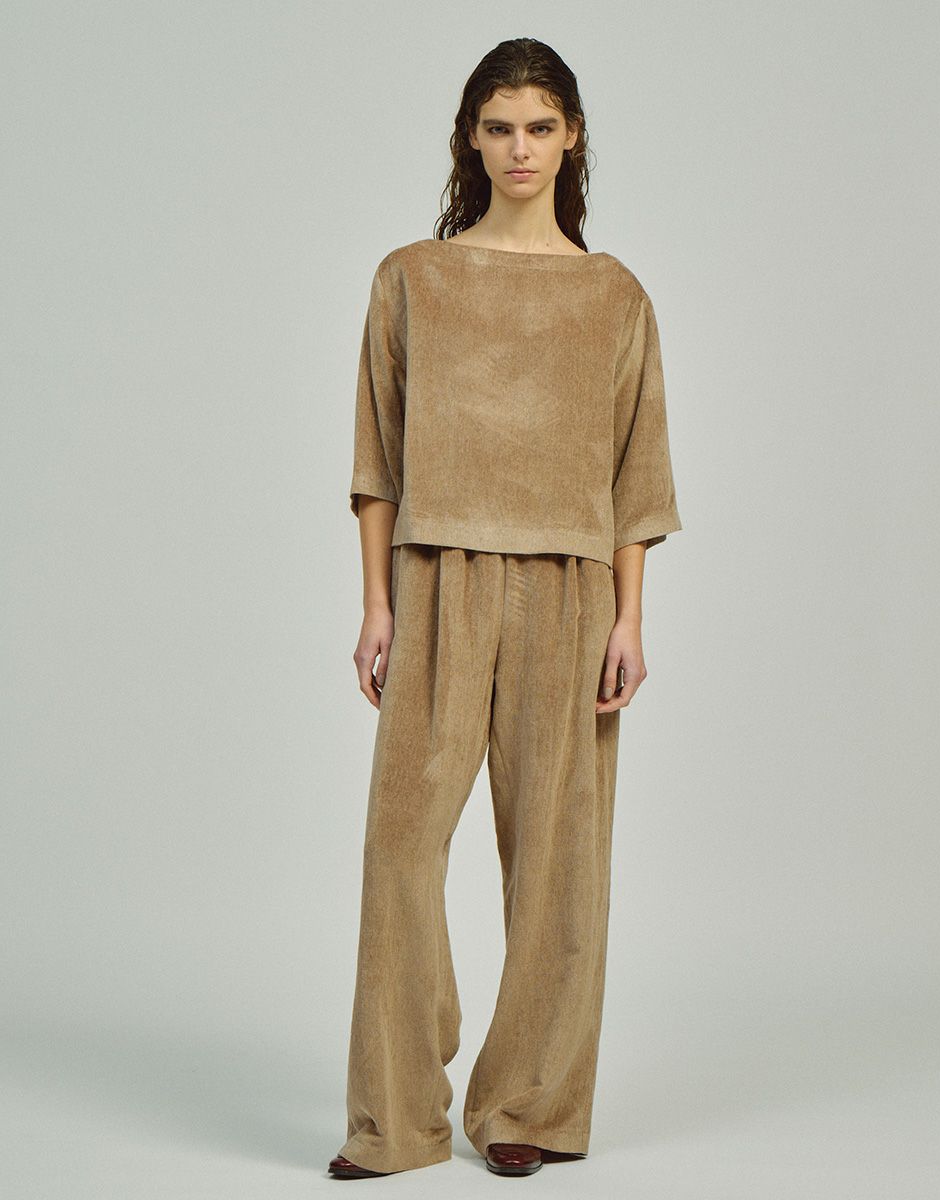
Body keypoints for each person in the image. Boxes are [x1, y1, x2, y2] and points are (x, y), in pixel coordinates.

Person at [328, 36, 682, 1181]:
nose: (518, 147)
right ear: (469, 140)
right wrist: (376, 603)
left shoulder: (613, 294)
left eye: (538, 126)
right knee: (399, 853)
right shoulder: (413, 279)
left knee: (558, 865)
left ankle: (528, 1103)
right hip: (435, 579)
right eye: (497, 127)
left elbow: (637, 476)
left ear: (570, 137)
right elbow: (377, 458)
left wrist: (630, 620)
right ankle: (394, 1118)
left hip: (572, 591)